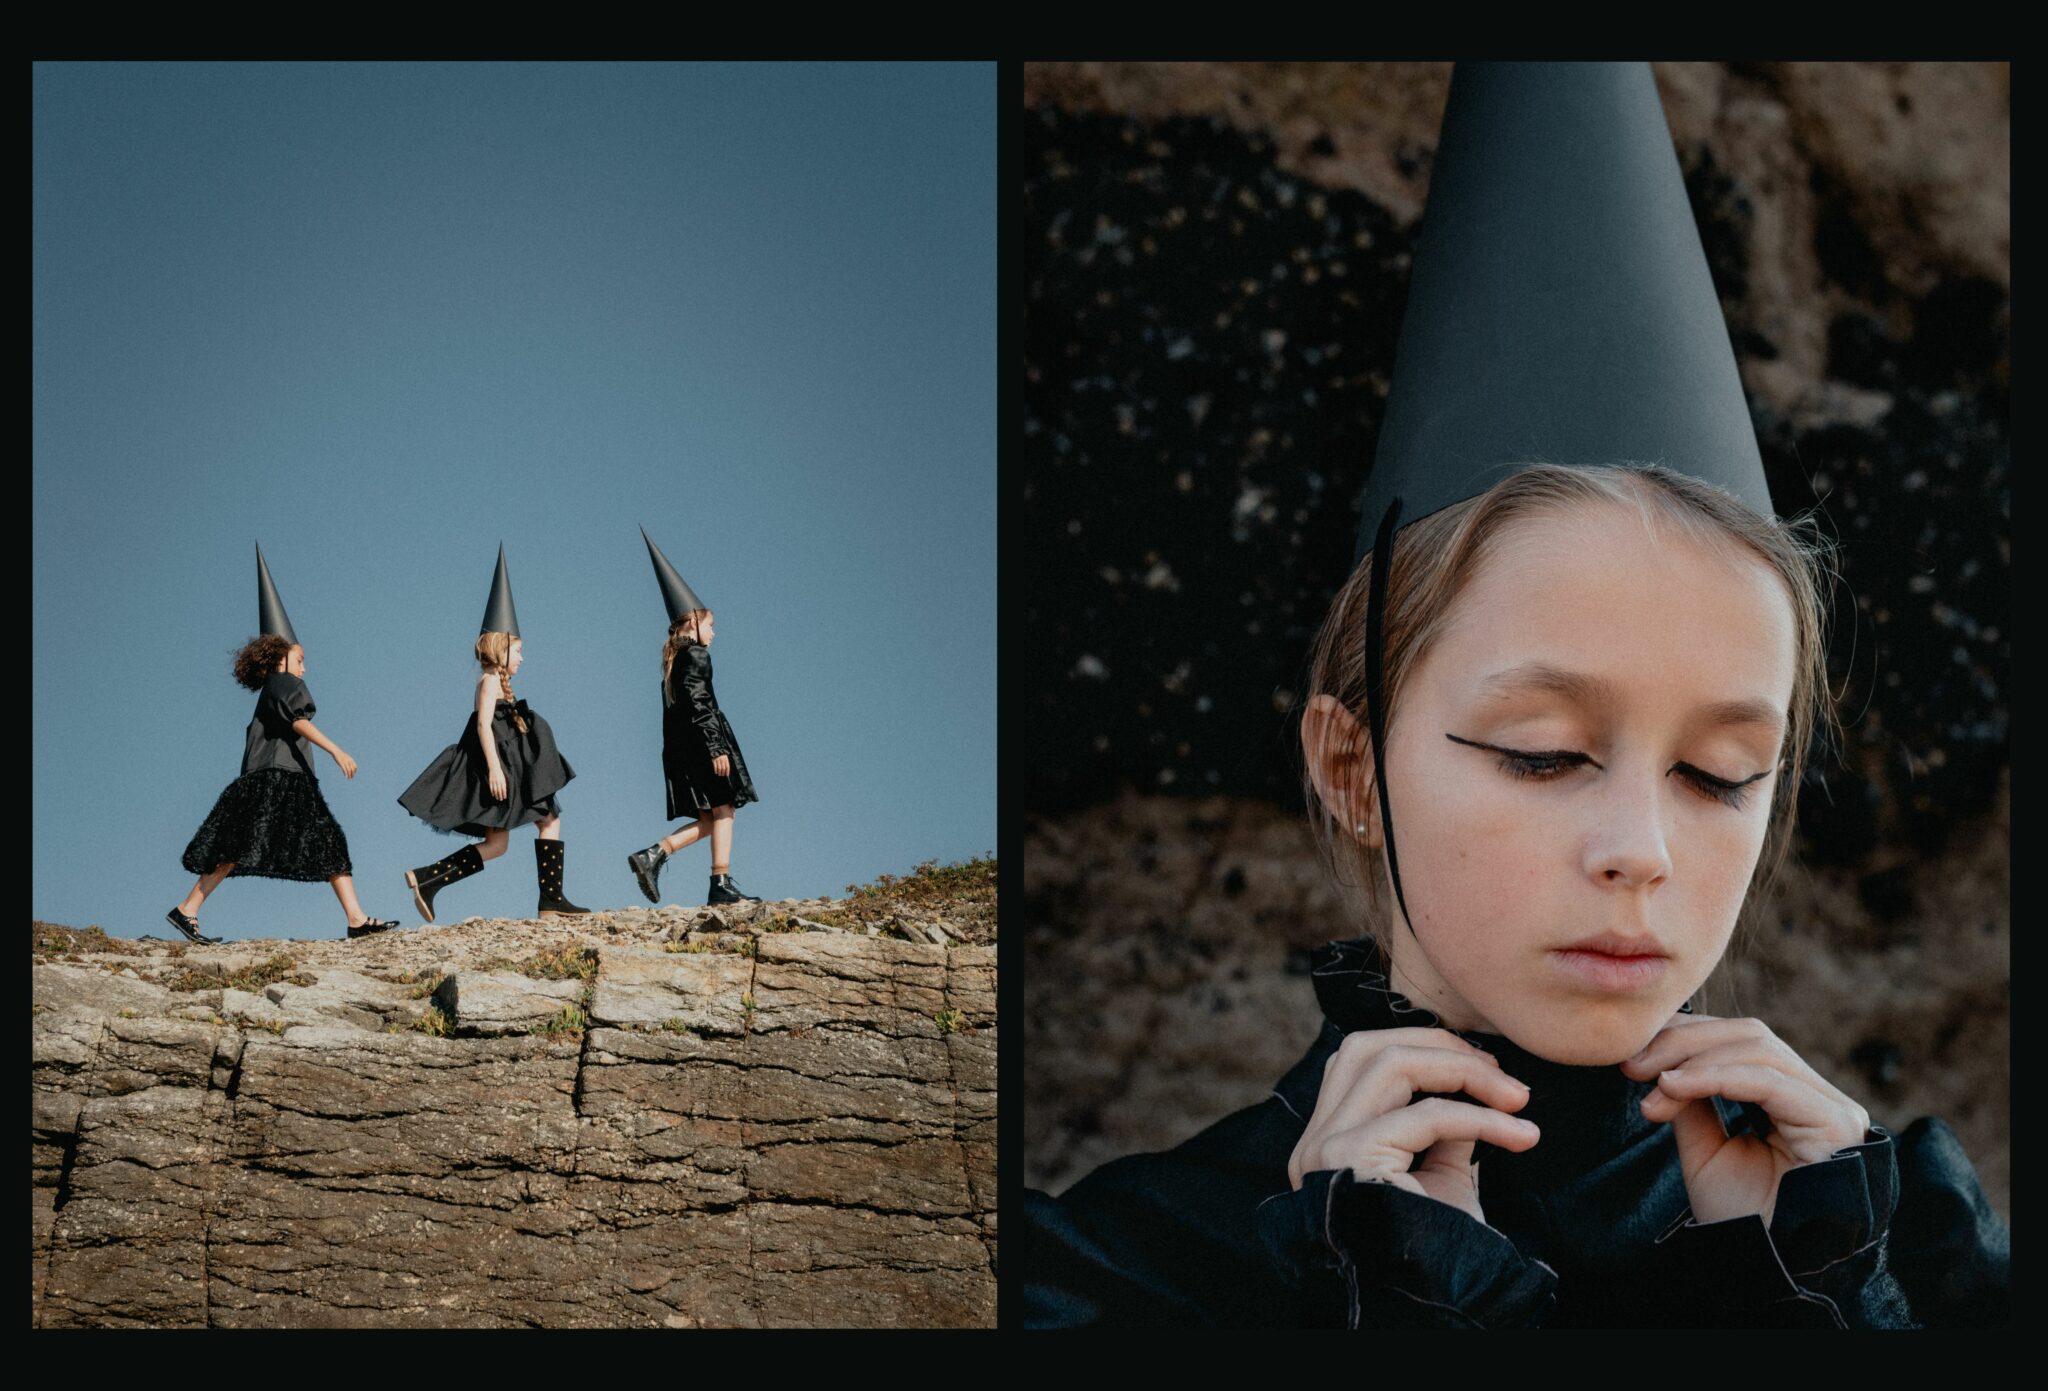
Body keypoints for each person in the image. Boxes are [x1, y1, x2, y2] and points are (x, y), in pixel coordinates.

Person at [1020, 63, 2008, 1328]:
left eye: (1720, 772)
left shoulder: (1904, 1256)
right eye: (1541, 752)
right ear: (1347, 767)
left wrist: (1806, 1302)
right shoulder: (1112, 1277)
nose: (1639, 853)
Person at [169, 544, 399, 943]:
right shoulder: (284, 682)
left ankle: (187, 910)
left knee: (246, 846)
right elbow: (298, 722)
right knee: (322, 842)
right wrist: (337, 750)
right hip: (280, 780)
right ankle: (356, 920)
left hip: (272, 780)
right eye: (301, 659)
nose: (305, 667)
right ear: (282, 659)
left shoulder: (270, 689)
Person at [397, 545, 588, 920]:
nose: (522, 657)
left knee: (499, 843)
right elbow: (483, 725)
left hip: (512, 773)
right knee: (548, 820)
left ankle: (429, 879)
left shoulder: (501, 684)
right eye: (518, 649)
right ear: (502, 649)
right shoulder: (488, 682)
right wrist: (496, 769)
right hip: (500, 774)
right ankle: (550, 900)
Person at [627, 528, 764, 907]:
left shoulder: (672, 662)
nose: (715, 632)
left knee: (709, 819)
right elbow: (701, 702)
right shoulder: (697, 656)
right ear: (693, 623)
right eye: (711, 624)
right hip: (705, 744)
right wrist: (717, 747)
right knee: (725, 809)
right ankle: (720, 883)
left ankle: (653, 855)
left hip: (684, 749)